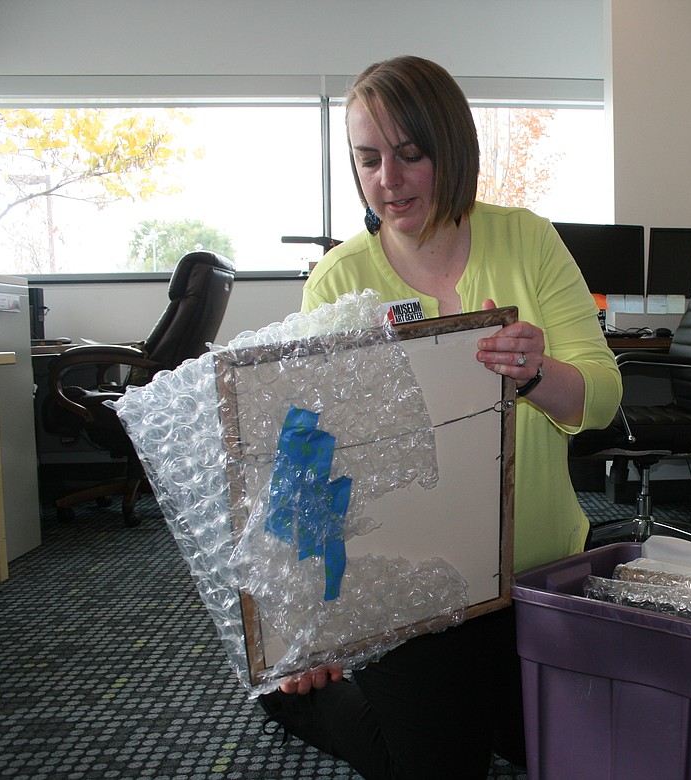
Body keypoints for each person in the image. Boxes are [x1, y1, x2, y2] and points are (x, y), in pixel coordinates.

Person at [259, 55, 622, 779]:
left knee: (567, 753)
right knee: (438, 769)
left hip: (538, 569)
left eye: (409, 155)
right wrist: (303, 631)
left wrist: (537, 372)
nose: (386, 180)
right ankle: (291, 700)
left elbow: (604, 397)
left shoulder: (528, 240)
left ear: (450, 150)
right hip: (414, 583)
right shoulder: (340, 280)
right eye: (367, 160)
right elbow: (309, 457)